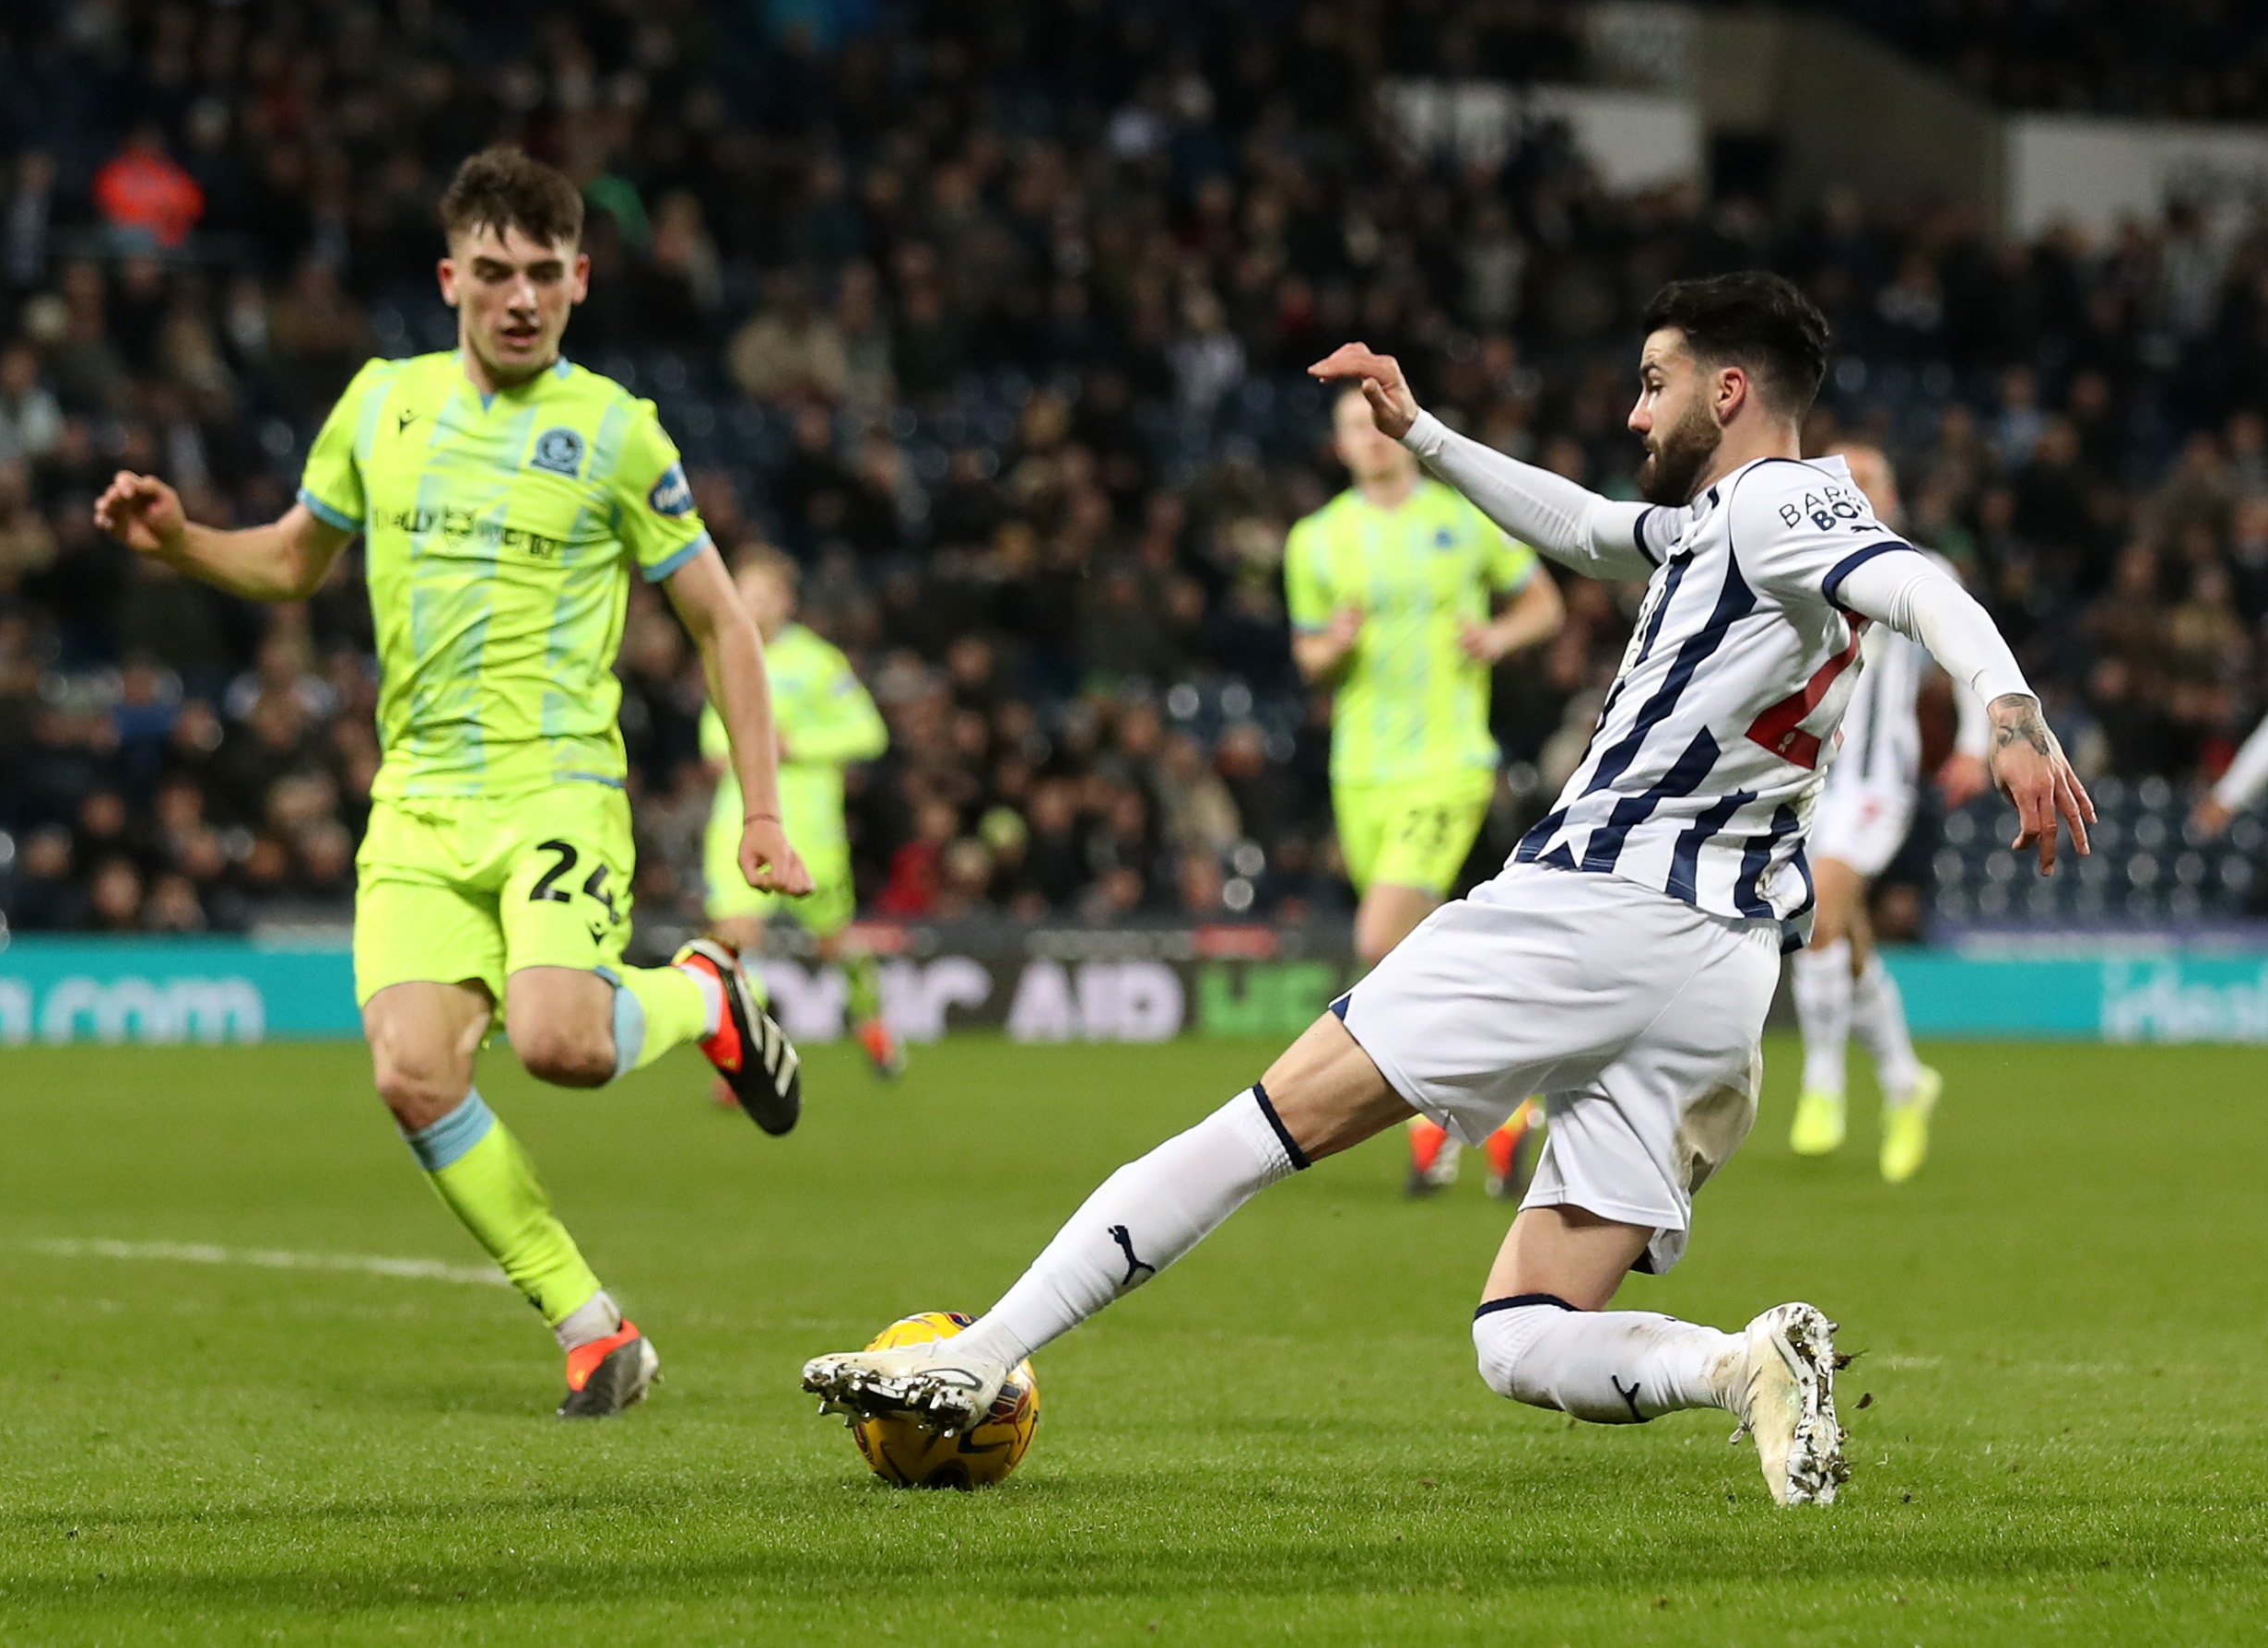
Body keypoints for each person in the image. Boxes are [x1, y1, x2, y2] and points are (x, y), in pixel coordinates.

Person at [797, 273, 2092, 1506]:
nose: (1635, 412)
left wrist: (2012, 708)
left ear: (1733, 389)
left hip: (1597, 909)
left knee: (1260, 1126)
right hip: (1720, 970)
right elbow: (1585, 527)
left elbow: (1916, 578)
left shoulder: (1778, 504)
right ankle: (1742, 1364)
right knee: (1521, 1336)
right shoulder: (1713, 532)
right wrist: (1424, 433)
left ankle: (979, 1354)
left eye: (1655, 384)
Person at [94, 147, 810, 1420]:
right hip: (418, 802)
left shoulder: (615, 431)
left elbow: (720, 623)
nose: (519, 297)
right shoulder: (380, 405)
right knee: (413, 1070)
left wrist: (759, 810)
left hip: (554, 790)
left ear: (582, 280)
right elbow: (291, 562)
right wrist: (181, 542)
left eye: (544, 273)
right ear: (449, 279)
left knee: (560, 1046)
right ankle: (595, 1329)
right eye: (493, 273)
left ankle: (703, 998)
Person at [1287, 385, 1564, 1199]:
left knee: (1380, 939)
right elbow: (1305, 658)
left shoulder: (1462, 518)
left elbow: (1543, 603)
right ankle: (1493, 1107)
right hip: (1360, 769)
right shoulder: (1315, 540)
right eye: (1352, 428)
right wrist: (1329, 648)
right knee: (1414, 956)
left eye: (1379, 424)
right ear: (1339, 445)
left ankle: (1451, 1114)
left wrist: (1499, 635)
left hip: (1447, 760)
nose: (1370, 439)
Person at [1787, 442, 1992, 1181]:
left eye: (1872, 475)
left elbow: (1967, 651)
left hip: (1877, 782)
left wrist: (1975, 743)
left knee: (1817, 917)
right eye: (1847, 476)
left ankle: (1823, 1085)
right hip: (1811, 778)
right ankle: (1906, 1081)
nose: (1859, 485)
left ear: (1893, 490)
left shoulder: (1920, 566)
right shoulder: (1799, 558)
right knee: (1848, 937)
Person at [699, 544, 905, 1077]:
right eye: (743, 592)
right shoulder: (727, 652)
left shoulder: (818, 661)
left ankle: (873, 1026)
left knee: (836, 942)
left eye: (763, 594)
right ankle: (749, 1063)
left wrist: (796, 745)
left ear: (786, 601)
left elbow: (868, 732)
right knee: (736, 939)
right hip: (737, 822)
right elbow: (710, 736)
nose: (752, 604)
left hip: (810, 830)